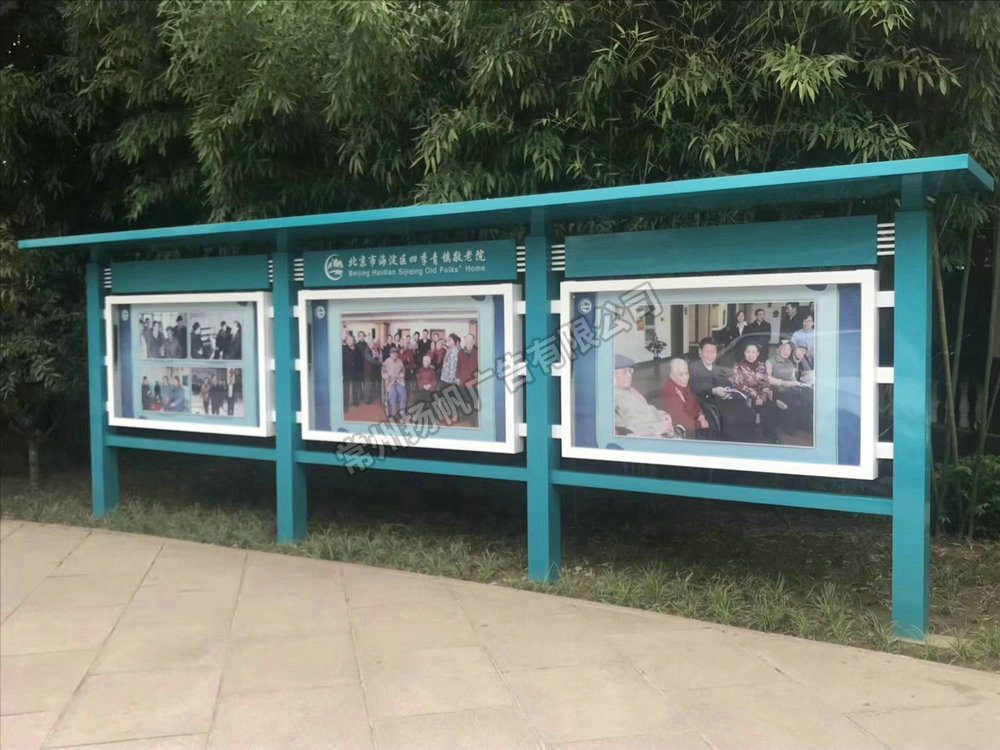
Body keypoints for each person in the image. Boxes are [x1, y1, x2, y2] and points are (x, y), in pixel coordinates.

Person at [614, 355, 678, 438]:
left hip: (660, 429)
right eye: (624, 372)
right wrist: (658, 429)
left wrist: (662, 415)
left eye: (630, 370)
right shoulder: (612, 397)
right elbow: (626, 432)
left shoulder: (630, 390)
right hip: (651, 437)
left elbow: (647, 408)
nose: (629, 375)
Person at [731, 342, 775, 441]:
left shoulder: (762, 366)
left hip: (760, 397)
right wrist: (756, 396)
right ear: (744, 353)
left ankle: (768, 438)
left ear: (757, 353)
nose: (750, 355)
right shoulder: (738, 366)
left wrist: (762, 397)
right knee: (750, 411)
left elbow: (766, 383)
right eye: (748, 352)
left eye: (753, 352)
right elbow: (739, 384)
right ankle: (751, 437)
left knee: (769, 408)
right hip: (745, 396)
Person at [767, 339, 811, 433]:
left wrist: (800, 384)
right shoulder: (770, 362)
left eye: (789, 349)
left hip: (789, 391)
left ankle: (805, 426)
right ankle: (788, 429)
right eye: (784, 348)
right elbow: (767, 379)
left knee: (808, 397)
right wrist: (783, 382)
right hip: (776, 391)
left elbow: (793, 380)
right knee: (796, 403)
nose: (786, 351)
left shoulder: (790, 363)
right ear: (778, 349)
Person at [659, 358, 708, 435]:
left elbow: (694, 403)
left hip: (693, 422)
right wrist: (700, 424)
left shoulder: (682, 385)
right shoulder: (670, 392)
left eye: (687, 373)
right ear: (672, 376)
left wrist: (700, 414)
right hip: (682, 430)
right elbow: (681, 420)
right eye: (681, 374)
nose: (686, 377)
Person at [457, 334, 479, 425]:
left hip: (473, 382)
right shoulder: (460, 353)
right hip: (462, 381)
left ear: (473, 342)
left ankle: (473, 421)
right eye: (467, 341)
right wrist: (458, 377)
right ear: (465, 342)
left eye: (470, 341)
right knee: (463, 400)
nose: (469, 343)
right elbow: (458, 366)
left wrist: (478, 381)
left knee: (473, 401)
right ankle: (463, 418)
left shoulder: (477, 352)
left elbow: (480, 367)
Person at [381, 347, 407, 420]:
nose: (394, 355)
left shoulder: (400, 361)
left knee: (403, 392)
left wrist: (401, 376)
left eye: (396, 353)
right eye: (393, 353)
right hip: (390, 382)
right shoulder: (387, 362)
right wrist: (386, 377)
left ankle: (402, 411)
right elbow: (383, 372)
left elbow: (403, 371)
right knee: (393, 394)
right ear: (390, 354)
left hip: (398, 381)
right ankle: (393, 413)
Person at [342, 334, 363, 409]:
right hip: (346, 371)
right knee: (346, 389)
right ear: (346, 341)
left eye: (351, 340)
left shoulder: (358, 349)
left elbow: (360, 360)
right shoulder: (343, 349)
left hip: (356, 371)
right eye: (348, 340)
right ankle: (345, 404)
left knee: (355, 387)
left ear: (354, 341)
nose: (350, 341)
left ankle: (355, 401)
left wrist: (360, 371)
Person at [363, 338, 382, 404]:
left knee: (372, 385)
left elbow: (377, 357)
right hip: (368, 371)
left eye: (373, 343)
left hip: (374, 371)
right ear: (368, 344)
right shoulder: (366, 350)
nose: (373, 344)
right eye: (372, 343)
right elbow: (370, 359)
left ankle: (371, 397)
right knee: (368, 386)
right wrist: (379, 363)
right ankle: (367, 400)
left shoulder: (374, 350)